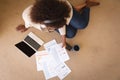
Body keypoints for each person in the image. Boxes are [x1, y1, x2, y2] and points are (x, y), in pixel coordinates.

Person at [16, 0, 100, 47]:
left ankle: (87, 6)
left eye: (54, 28)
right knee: (71, 34)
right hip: (56, 16)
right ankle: (77, 13)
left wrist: (63, 40)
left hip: (65, 11)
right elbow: (29, 23)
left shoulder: (60, 16)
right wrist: (25, 26)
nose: (53, 30)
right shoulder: (27, 16)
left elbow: (61, 25)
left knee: (82, 24)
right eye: (53, 28)